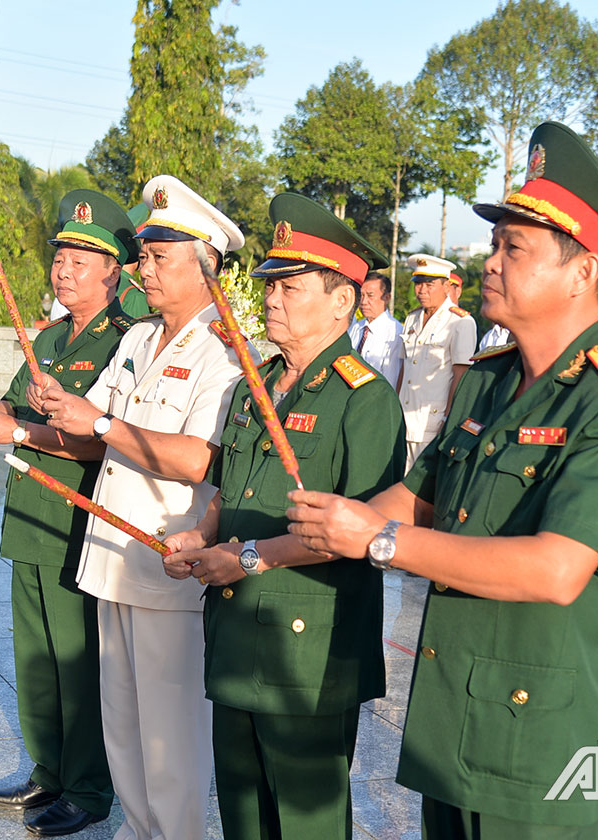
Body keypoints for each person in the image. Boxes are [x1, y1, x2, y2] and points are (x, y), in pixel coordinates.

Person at [286, 121, 598, 838]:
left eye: (513, 249)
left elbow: (558, 569)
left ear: (584, 270)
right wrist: (295, 537)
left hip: (546, 750)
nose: (489, 263)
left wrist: (378, 541)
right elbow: (414, 497)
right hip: (453, 720)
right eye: (494, 245)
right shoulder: (490, 385)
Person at [159, 193, 404, 840]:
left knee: (305, 823)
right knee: (243, 814)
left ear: (342, 300)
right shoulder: (252, 385)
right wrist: (202, 533)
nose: (270, 299)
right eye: (270, 285)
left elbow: (364, 532)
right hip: (238, 630)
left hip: (310, 651)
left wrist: (239, 556)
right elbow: (231, 484)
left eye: (290, 288)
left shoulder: (365, 400)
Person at [36, 175, 253, 840]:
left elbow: (197, 458)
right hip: (111, 557)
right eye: (145, 256)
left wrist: (98, 427)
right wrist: (41, 412)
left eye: (160, 258)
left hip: (167, 561)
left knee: (170, 737)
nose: (144, 270)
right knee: (123, 725)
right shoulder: (136, 340)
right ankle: (137, 831)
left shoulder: (226, 353)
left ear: (205, 266)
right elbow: (88, 417)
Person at [0, 189, 139, 835]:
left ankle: (88, 788)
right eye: (61, 257)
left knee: (78, 664)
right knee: (37, 659)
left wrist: (22, 434)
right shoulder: (53, 336)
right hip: (32, 517)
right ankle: (51, 772)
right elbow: (14, 411)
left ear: (114, 271)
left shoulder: (126, 339)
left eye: (81, 261)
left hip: (80, 524)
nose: (63, 270)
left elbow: (101, 435)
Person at [398, 253, 477, 470]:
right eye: (418, 284)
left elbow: (460, 375)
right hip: (403, 418)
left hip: (432, 421)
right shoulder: (412, 318)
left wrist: (449, 417)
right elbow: (404, 368)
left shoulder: (460, 322)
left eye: (429, 284)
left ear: (446, 285)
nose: (422, 290)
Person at [347, 270, 404, 386]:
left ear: (386, 298)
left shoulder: (395, 332)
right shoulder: (356, 327)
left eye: (370, 296)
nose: (363, 302)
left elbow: (391, 379)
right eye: (361, 295)